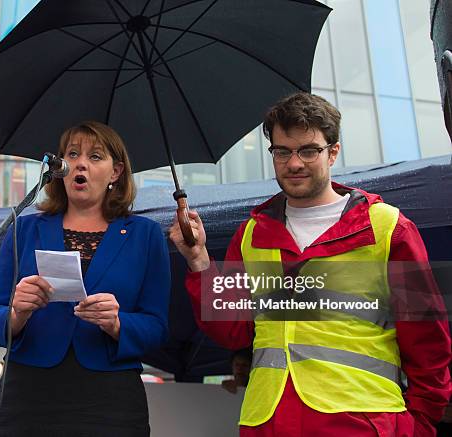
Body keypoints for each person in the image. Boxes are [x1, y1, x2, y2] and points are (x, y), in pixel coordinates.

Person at [169, 93, 452, 436]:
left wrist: (420, 424)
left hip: (362, 422)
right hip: (268, 422)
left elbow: (428, 342)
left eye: (308, 150)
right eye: (282, 151)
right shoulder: (251, 234)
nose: (294, 163)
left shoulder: (387, 229)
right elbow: (231, 331)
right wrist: (198, 258)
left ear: (333, 151)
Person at [0, 121, 171, 436]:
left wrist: (117, 323)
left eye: (96, 156)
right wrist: (18, 312)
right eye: (72, 154)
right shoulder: (24, 229)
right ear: (59, 169)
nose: (81, 163)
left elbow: (157, 328)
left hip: (109, 399)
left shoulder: (146, 235)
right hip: (28, 395)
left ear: (116, 172)